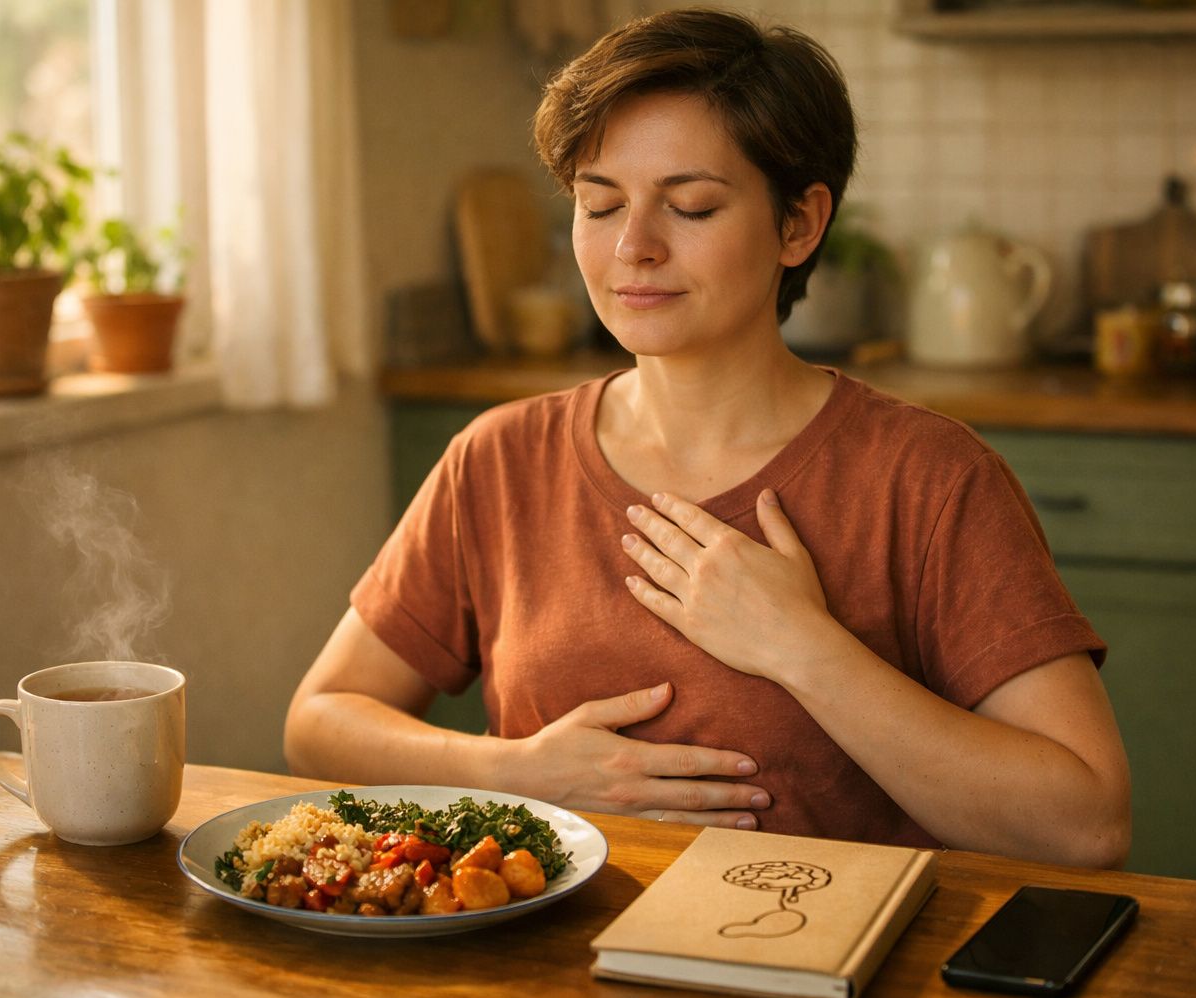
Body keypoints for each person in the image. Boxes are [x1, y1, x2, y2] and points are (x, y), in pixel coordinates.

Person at [285, 7, 1131, 868]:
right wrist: (517, 774)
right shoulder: (498, 459)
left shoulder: (928, 478)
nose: (633, 247)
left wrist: (802, 647)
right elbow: (321, 723)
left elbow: (1084, 825)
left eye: (690, 206)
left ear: (798, 225)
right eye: (599, 203)